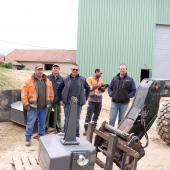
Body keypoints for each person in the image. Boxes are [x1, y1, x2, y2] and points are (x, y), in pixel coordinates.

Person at [21, 64, 54, 146]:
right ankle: (28, 139)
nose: (40, 71)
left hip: (44, 107)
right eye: (38, 69)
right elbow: (23, 94)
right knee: (30, 124)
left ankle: (42, 137)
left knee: (42, 123)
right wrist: (26, 104)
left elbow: (51, 93)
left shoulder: (48, 81)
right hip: (32, 107)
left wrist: (50, 101)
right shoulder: (29, 82)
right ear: (35, 71)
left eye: (41, 69)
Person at [61, 64, 90, 137]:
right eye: (73, 69)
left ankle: (76, 135)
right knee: (67, 119)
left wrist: (85, 98)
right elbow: (59, 89)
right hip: (67, 103)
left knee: (76, 120)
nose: (75, 71)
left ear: (78, 70)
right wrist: (61, 99)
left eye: (76, 70)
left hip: (78, 103)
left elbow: (88, 88)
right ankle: (65, 134)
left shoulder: (82, 79)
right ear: (71, 70)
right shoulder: (65, 79)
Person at [83, 69, 104, 136]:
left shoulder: (101, 80)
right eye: (100, 73)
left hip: (99, 100)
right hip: (92, 100)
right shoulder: (90, 79)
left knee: (96, 115)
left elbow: (101, 90)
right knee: (89, 115)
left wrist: (103, 88)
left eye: (101, 74)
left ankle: (93, 128)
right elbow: (89, 88)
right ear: (96, 72)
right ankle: (86, 130)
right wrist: (98, 85)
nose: (101, 75)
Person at [45, 64, 63, 132]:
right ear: (52, 69)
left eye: (57, 68)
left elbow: (63, 90)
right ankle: (45, 127)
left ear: (59, 70)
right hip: (49, 100)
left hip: (57, 100)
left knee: (58, 114)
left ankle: (58, 126)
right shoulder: (47, 78)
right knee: (47, 114)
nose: (55, 69)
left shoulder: (62, 79)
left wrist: (61, 99)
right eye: (54, 68)